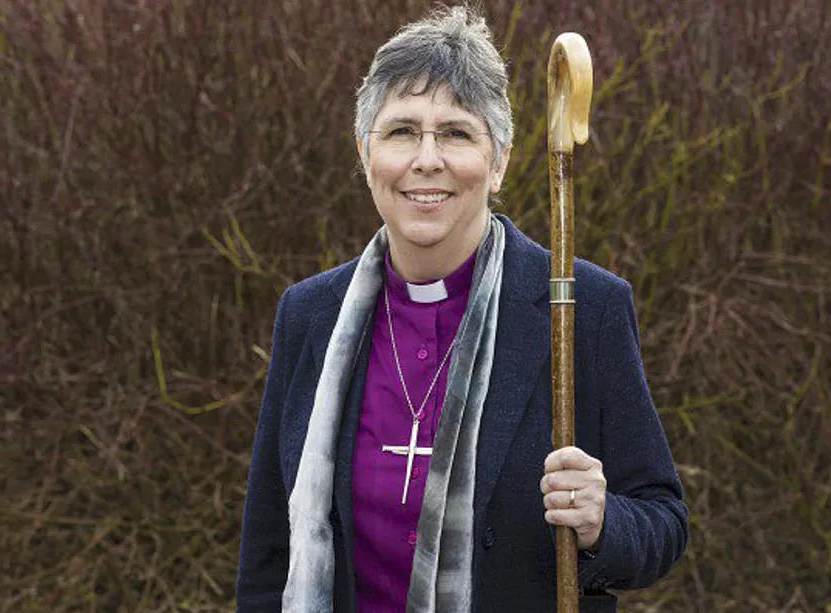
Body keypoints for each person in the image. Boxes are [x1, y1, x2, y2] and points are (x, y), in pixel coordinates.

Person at [237, 6, 687, 612]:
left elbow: (664, 522)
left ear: (498, 159)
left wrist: (603, 521)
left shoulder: (581, 306)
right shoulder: (310, 314)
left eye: (455, 132)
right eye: (400, 131)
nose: (427, 159)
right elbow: (267, 550)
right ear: (366, 153)